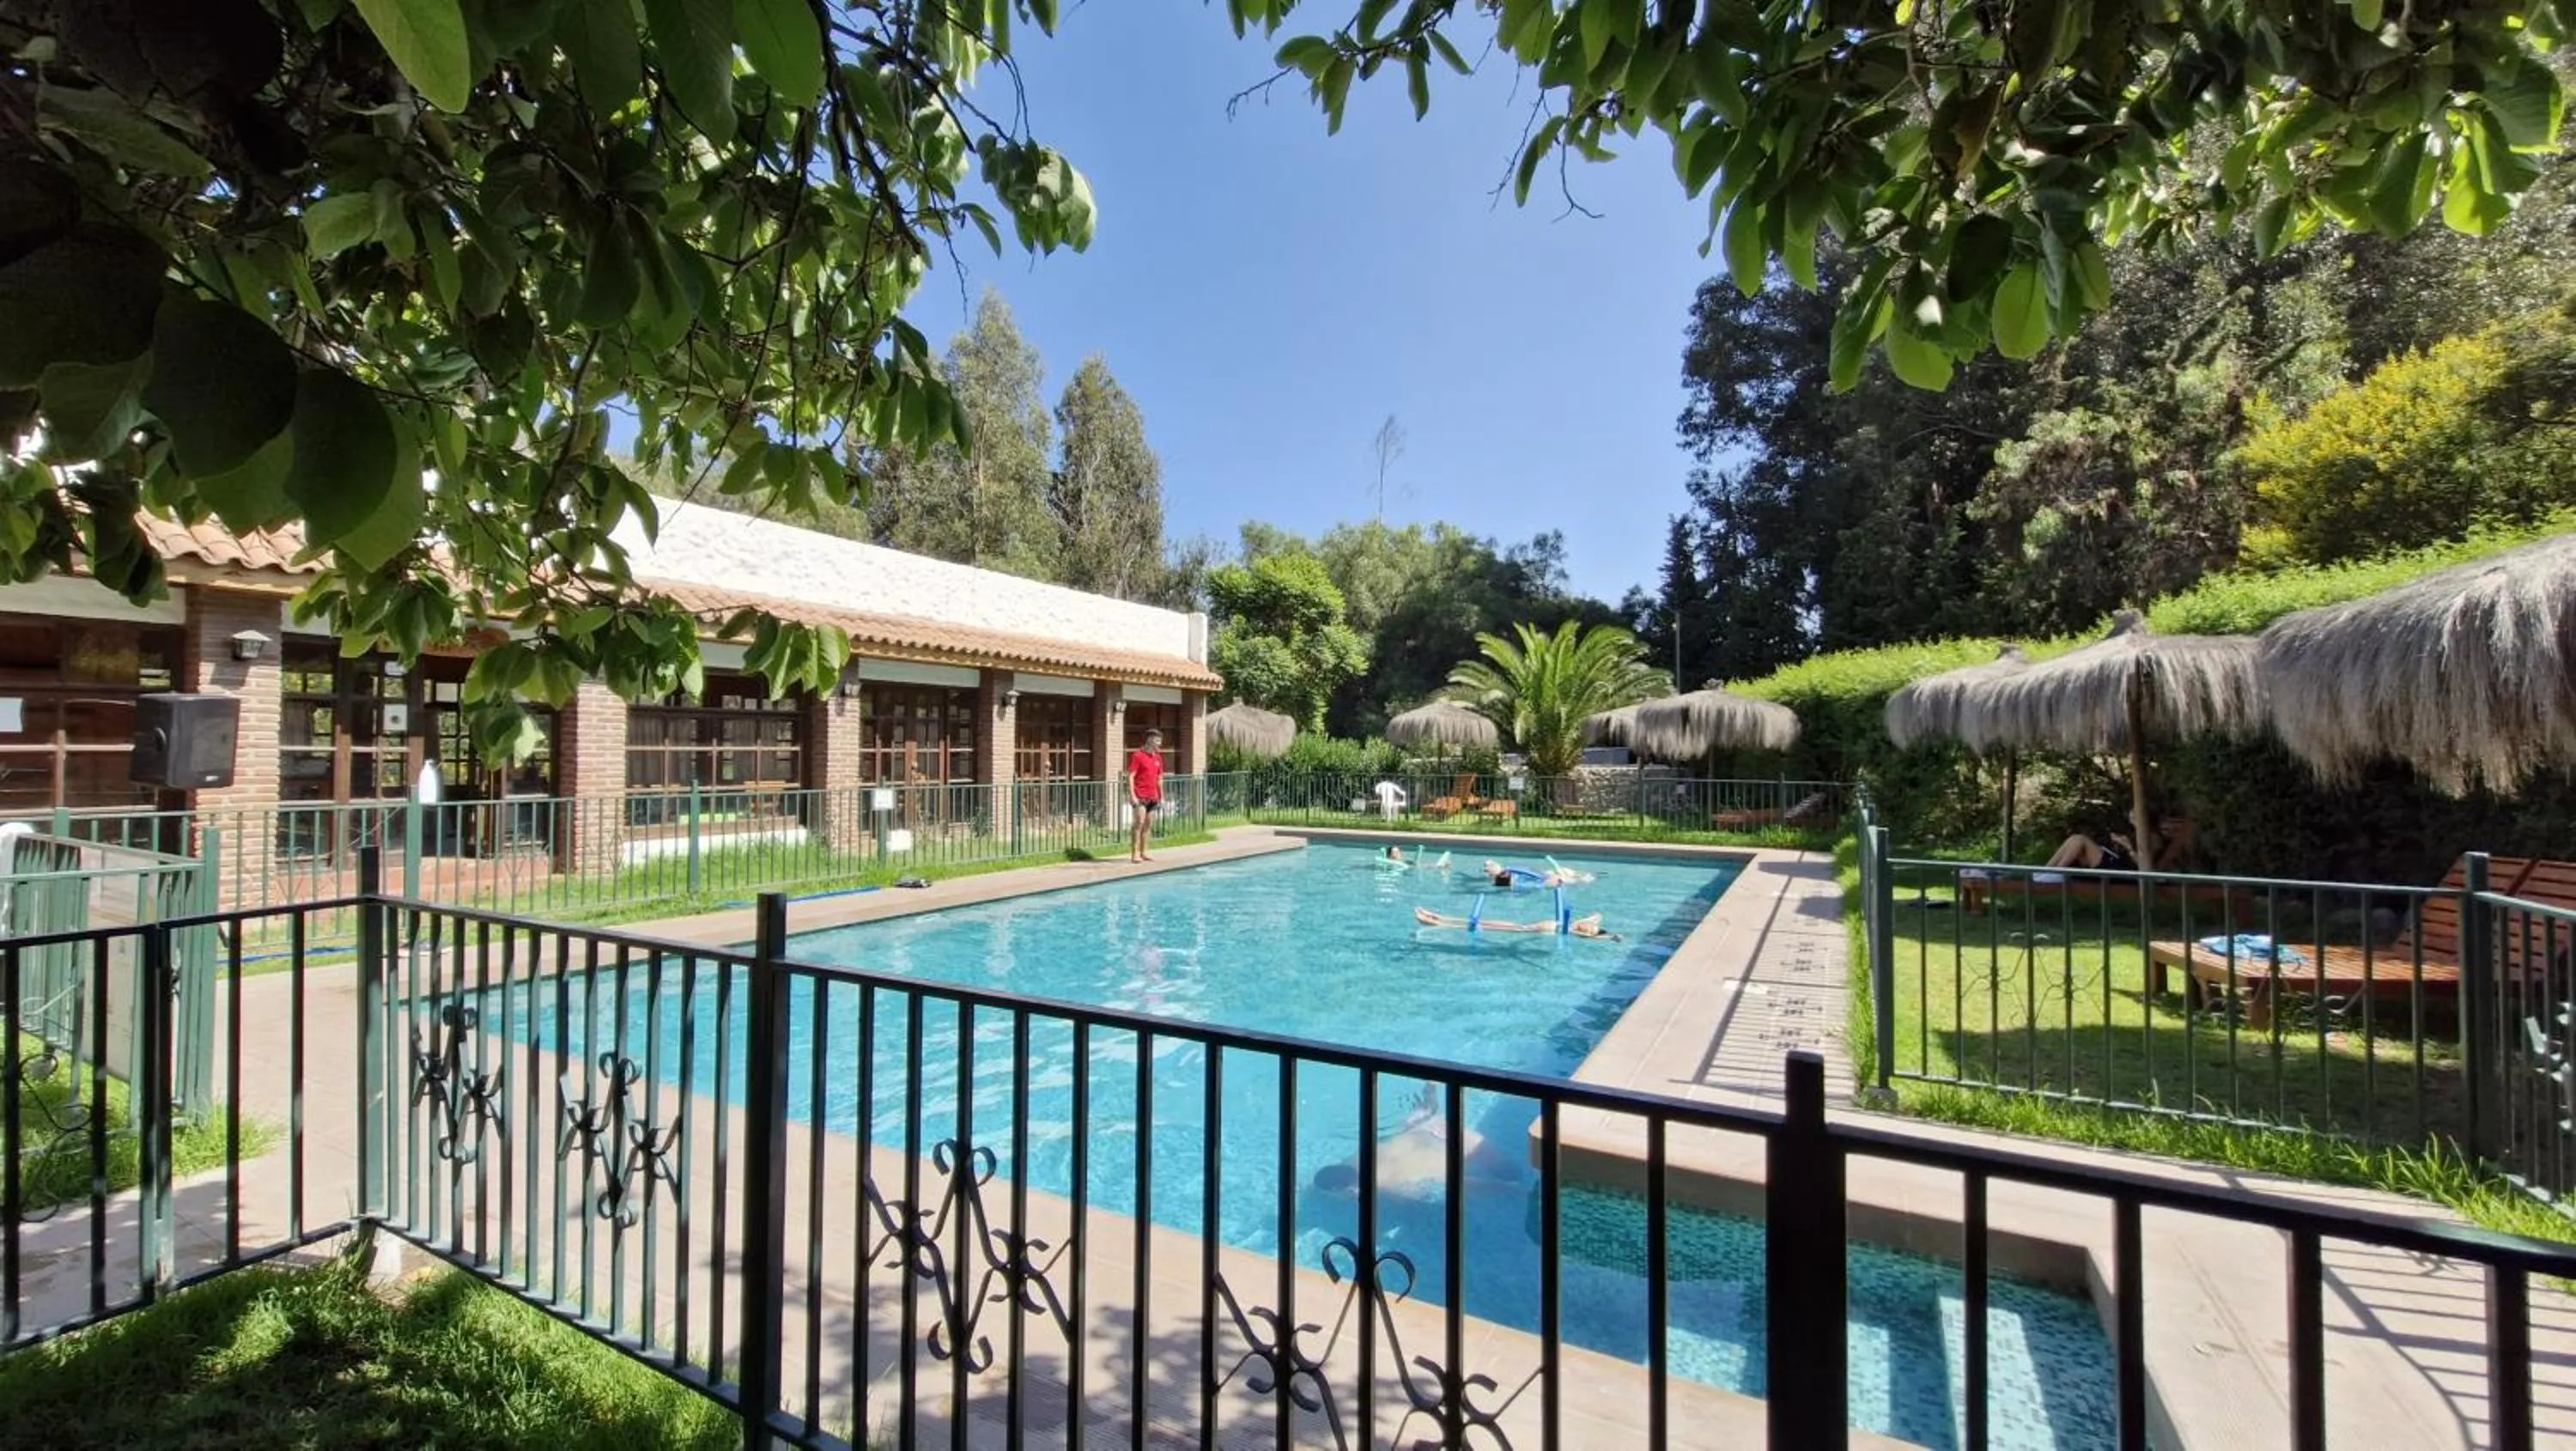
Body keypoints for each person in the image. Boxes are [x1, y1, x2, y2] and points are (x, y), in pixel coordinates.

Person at [1309, 1084, 1519, 1199]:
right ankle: (1430, 1093)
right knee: (1414, 1121)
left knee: (1508, 1181)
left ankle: (1516, 1189)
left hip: (1463, 1149)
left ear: (1350, 1189)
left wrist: (1503, 1190)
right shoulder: (1355, 1158)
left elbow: (1439, 1188)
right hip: (1434, 1129)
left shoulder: (1386, 1187)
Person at [2044, 817, 2196, 872]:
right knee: (2075, 839)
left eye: (2172, 828)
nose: (2168, 830)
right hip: (2119, 863)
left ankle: (2054, 872)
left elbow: (2147, 868)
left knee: (2080, 840)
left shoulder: (2155, 841)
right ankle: (2045, 871)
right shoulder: (2144, 835)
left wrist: (2127, 847)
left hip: (2125, 872)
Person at [1413, 904, 1621, 941]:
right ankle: (1438, 916)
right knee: (1482, 921)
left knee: (1482, 926)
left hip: (1524, 932)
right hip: (1522, 925)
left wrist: (1607, 936)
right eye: (1589, 926)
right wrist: (1594, 922)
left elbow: (1596, 936)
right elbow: (1596, 916)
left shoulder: (1573, 932)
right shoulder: (1573, 923)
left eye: (1589, 930)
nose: (1587, 926)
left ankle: (1436, 924)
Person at [1126, 728, 1164, 864]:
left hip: (1153, 796)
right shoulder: (1138, 755)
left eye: (1160, 741)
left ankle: (1144, 852)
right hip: (1140, 795)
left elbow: (1160, 779)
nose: (1159, 743)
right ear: (1149, 739)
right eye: (1157, 740)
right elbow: (1131, 776)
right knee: (1139, 823)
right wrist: (1132, 795)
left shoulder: (1158, 757)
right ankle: (1134, 854)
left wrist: (1162, 797)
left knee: (1148, 825)